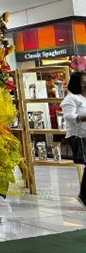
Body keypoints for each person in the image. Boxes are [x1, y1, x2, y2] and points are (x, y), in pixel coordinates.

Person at [60, 71, 86, 207]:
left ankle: (84, 195)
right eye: (83, 82)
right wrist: (82, 117)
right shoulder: (71, 98)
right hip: (79, 136)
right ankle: (84, 195)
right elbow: (69, 116)